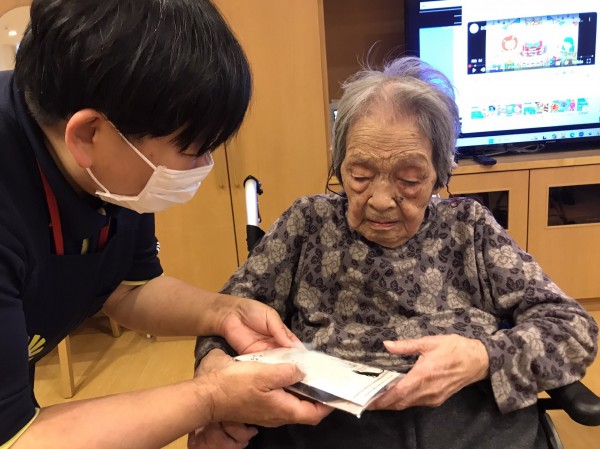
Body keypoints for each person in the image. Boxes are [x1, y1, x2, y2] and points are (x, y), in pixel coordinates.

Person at [192, 56, 599, 449]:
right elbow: (227, 317)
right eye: (360, 176)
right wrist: (214, 382)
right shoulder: (308, 222)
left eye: (409, 179)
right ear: (339, 167)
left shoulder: (469, 227)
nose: (381, 200)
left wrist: (482, 357)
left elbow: (572, 329)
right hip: (328, 422)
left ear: (439, 174)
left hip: (469, 416)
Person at [0, 1, 333, 448]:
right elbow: (20, 439)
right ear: (88, 134)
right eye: (191, 151)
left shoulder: (110, 171)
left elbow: (126, 289)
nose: (203, 166)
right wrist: (211, 398)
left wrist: (224, 312)